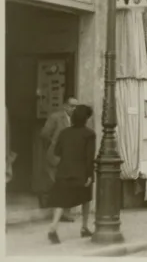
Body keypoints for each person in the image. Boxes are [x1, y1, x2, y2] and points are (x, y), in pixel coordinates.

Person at [47, 105, 96, 244]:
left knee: (61, 201)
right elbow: (89, 157)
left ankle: (53, 228)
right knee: (86, 198)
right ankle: (84, 227)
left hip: (64, 171)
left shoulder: (64, 132)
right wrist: (89, 175)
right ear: (85, 119)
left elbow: (57, 152)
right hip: (81, 173)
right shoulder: (89, 134)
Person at [39, 97, 79, 220]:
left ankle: (62, 212)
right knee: (57, 183)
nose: (74, 109)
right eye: (72, 106)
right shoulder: (55, 117)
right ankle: (54, 208)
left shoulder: (76, 120)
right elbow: (44, 134)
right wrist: (54, 144)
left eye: (76, 107)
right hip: (56, 156)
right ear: (65, 106)